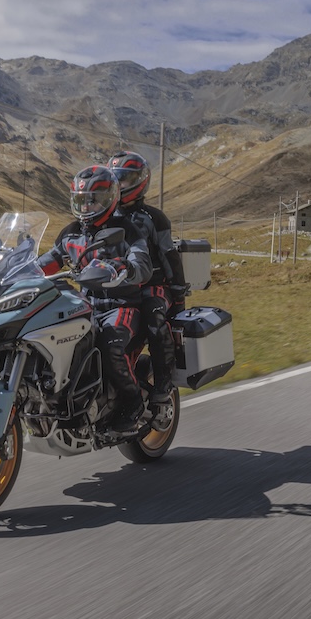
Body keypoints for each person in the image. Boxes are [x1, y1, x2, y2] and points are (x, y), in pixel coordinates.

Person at [40, 164, 153, 434]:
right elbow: (48, 262)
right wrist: (17, 271)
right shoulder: (70, 233)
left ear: (110, 198)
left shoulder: (127, 230)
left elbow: (143, 264)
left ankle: (133, 401)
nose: (87, 207)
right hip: (85, 305)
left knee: (110, 345)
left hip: (121, 306)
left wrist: (125, 267)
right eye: (82, 201)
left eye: (94, 200)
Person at [107, 150, 186, 426]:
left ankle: (164, 383)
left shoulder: (154, 217)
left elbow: (169, 255)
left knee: (154, 318)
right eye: (116, 179)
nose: (120, 184)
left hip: (152, 286)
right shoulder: (107, 215)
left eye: (126, 179)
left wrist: (178, 292)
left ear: (141, 182)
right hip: (117, 288)